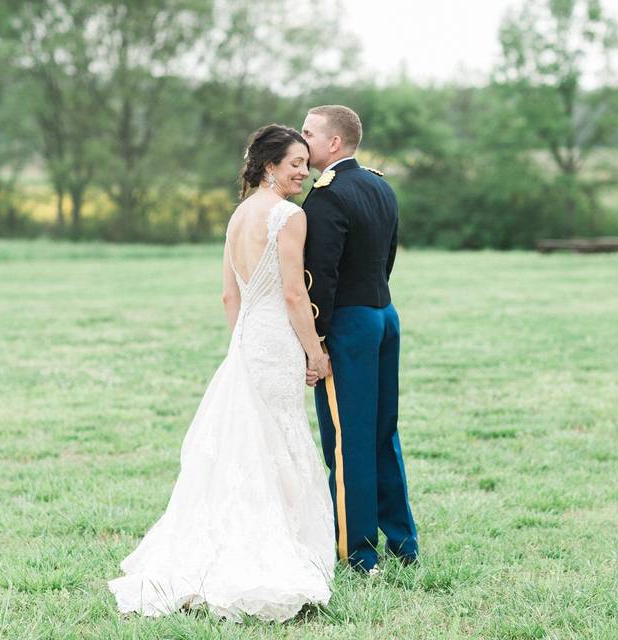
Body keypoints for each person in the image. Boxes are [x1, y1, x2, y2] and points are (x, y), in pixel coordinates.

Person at [108, 124, 335, 621]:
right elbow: (295, 295)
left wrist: (241, 343)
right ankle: (277, 546)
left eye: (305, 162)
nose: (303, 171)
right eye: (294, 163)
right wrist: (313, 352)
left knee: (245, 442)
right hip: (276, 339)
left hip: (247, 340)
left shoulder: (238, 217)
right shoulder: (288, 216)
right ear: (269, 167)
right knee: (278, 438)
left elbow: (229, 295)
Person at [301, 105, 419, 575]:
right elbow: (387, 258)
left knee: (348, 438)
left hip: (348, 325)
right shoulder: (378, 184)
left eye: (308, 133)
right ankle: (402, 542)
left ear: (333, 143)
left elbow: (320, 278)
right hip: (383, 314)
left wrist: (317, 339)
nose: (301, 140)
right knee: (381, 431)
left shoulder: (326, 196)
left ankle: (358, 552)